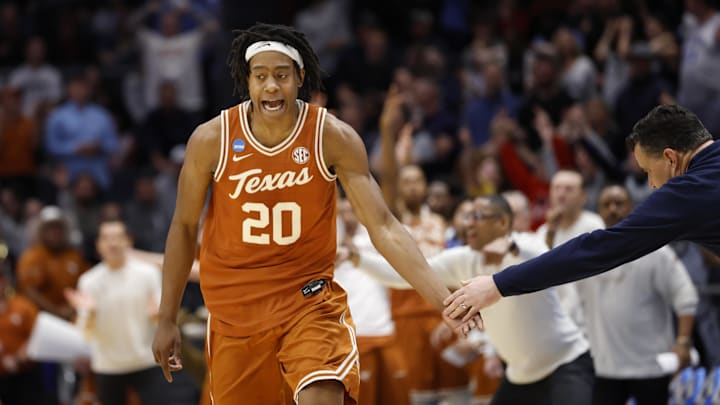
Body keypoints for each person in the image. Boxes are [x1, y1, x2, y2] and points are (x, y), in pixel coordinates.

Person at [152, 23, 478, 405]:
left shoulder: (331, 136)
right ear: (247, 81)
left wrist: (443, 299)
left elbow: (384, 226)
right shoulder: (212, 139)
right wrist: (166, 318)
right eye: (260, 77)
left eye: (281, 76)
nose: (271, 86)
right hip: (234, 311)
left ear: (300, 77)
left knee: (322, 396)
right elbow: (185, 226)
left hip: (308, 300)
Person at [443, 104, 719, 329]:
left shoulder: (686, 193)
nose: (652, 185)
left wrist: (497, 284)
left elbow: (599, 249)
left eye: (648, 170)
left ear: (670, 158)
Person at [345, 195, 594, 405]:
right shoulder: (463, 259)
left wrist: (508, 247)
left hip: (566, 362)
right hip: (520, 376)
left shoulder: (528, 246)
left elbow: (537, 253)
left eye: (478, 217)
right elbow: (408, 275)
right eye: (467, 217)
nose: (469, 224)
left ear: (503, 222)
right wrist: (357, 259)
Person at [578, 184, 697, 405]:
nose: (613, 209)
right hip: (605, 367)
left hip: (650, 367)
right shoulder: (589, 253)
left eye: (619, 203)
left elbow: (685, 295)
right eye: (606, 204)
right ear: (599, 211)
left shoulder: (655, 250)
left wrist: (682, 342)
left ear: (631, 207)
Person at [65, 220, 182, 405]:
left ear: (129, 241)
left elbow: (161, 320)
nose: (112, 243)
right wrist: (89, 314)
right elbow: (84, 334)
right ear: (98, 245)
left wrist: (158, 316)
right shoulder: (88, 281)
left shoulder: (148, 273)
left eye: (118, 237)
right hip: (108, 365)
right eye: (106, 238)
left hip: (146, 360)